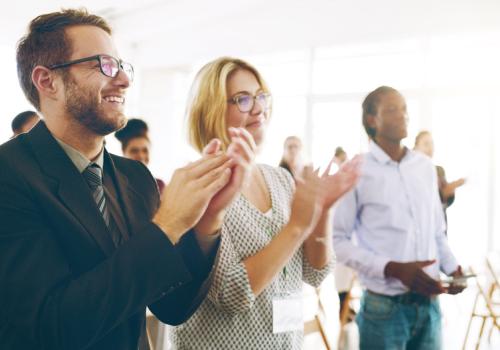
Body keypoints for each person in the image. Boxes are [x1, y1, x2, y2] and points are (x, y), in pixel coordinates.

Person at [0, 9, 249, 350]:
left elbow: (172, 307)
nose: (123, 80)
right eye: (102, 65)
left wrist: (208, 222)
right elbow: (51, 328)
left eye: (121, 66)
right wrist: (167, 226)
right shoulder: (9, 174)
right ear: (47, 81)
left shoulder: (135, 177)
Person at [169, 57, 361, 349]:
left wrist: (323, 212)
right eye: (242, 99)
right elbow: (233, 293)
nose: (259, 108)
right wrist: (296, 226)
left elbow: (315, 272)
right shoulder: (197, 184)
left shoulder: (280, 180)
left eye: (261, 96)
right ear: (211, 109)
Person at [333, 86, 466, 349]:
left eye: (404, 108)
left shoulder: (425, 167)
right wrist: (391, 267)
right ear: (372, 120)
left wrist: (453, 268)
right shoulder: (356, 171)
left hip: (429, 308)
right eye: (393, 109)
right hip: (383, 311)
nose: (403, 115)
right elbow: (338, 242)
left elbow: (436, 232)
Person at [414, 130, 465, 223]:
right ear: (416, 147)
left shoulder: (439, 170)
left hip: (439, 225)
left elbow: (446, 201)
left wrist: (450, 193)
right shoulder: (410, 172)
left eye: (432, 143)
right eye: (426, 144)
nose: (430, 148)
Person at [115, 118, 166, 194]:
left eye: (145, 150)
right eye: (134, 151)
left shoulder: (159, 186)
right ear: (124, 152)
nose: (141, 156)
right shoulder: (115, 187)